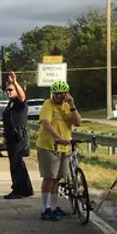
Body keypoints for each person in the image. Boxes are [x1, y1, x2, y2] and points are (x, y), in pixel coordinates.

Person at [35, 80, 82, 221]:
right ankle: (45, 209)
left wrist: (72, 105)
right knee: (49, 177)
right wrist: (58, 138)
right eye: (55, 93)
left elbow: (78, 122)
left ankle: (54, 208)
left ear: (66, 94)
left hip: (64, 147)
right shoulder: (47, 104)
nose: (57, 96)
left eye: (60, 94)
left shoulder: (67, 106)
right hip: (48, 146)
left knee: (57, 179)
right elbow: (46, 124)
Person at [1, 71, 34, 200]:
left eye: (10, 90)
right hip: (11, 137)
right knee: (17, 164)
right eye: (7, 90)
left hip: (18, 137)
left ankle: (18, 190)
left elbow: (22, 96)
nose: (8, 92)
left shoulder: (20, 103)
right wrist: (5, 138)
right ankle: (25, 189)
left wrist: (15, 82)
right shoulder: (10, 104)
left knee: (16, 164)